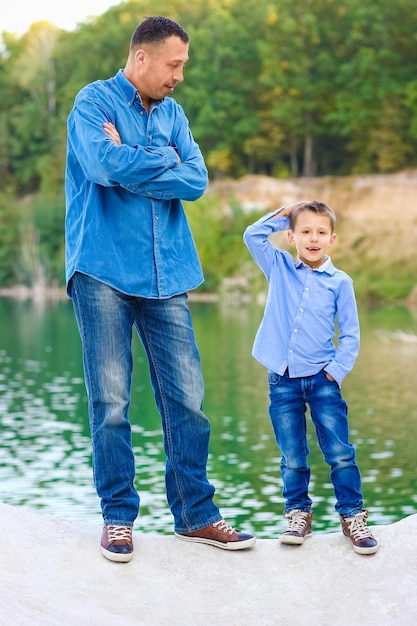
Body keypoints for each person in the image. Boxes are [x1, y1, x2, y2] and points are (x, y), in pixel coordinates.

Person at [65, 15, 255, 562]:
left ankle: (196, 515)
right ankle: (118, 519)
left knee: (188, 400)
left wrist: (138, 159)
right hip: (101, 266)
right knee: (112, 402)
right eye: (173, 65)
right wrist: (160, 161)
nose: (179, 77)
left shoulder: (175, 114)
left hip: (167, 271)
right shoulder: (93, 103)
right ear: (142, 57)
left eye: (183, 66)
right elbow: (100, 165)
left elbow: (196, 180)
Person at [243, 200, 377, 555]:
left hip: (322, 379)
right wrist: (286, 213)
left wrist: (336, 372)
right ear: (291, 236)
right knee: (292, 455)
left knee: (340, 452)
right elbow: (252, 235)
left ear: (332, 239)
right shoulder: (279, 267)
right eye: (304, 231)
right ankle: (298, 513)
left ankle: (352, 516)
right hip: (282, 380)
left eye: (320, 232)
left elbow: (350, 334)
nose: (312, 238)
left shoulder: (340, 283)